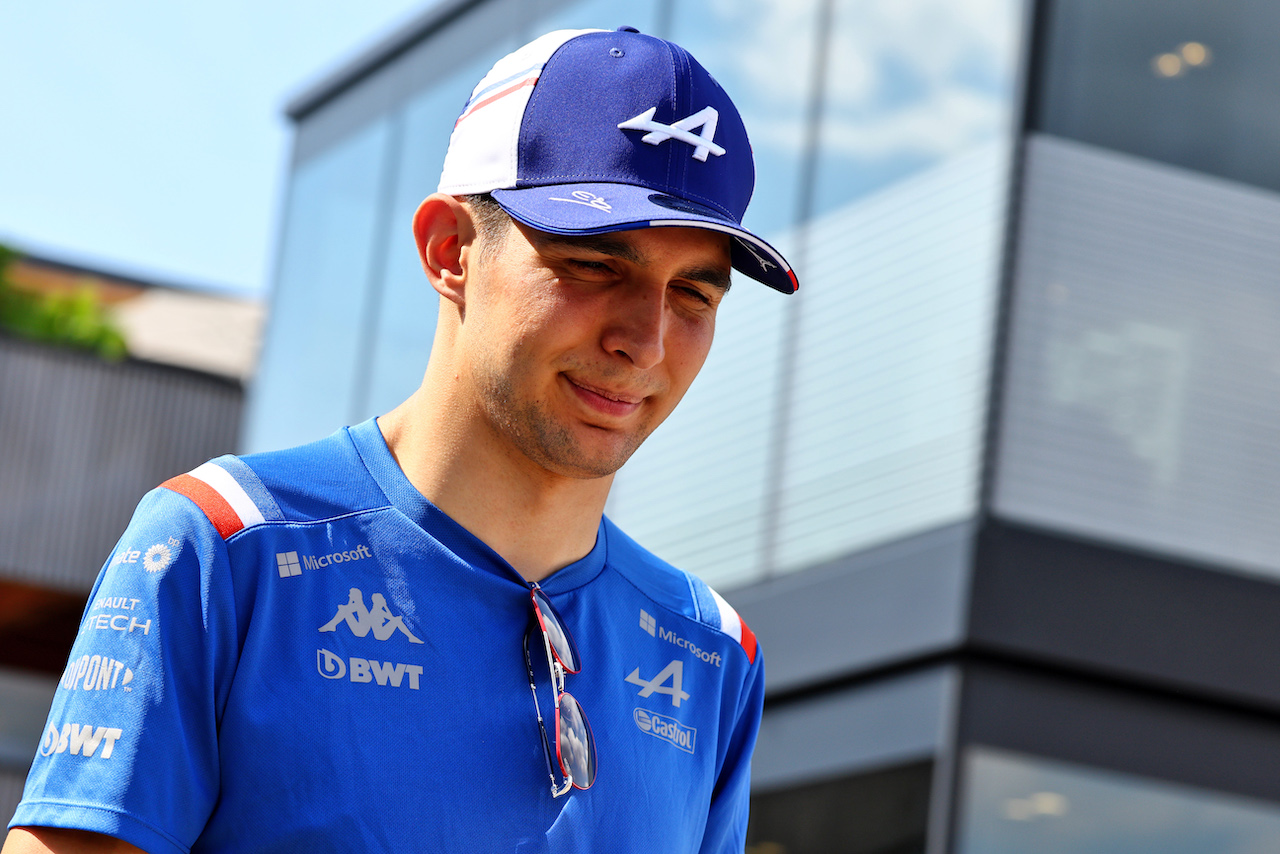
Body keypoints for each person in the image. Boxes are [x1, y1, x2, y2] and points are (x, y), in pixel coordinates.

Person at [4, 25, 798, 854]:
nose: (647, 339)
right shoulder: (222, 549)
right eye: (595, 266)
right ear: (449, 250)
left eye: (693, 296)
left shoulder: (710, 653)